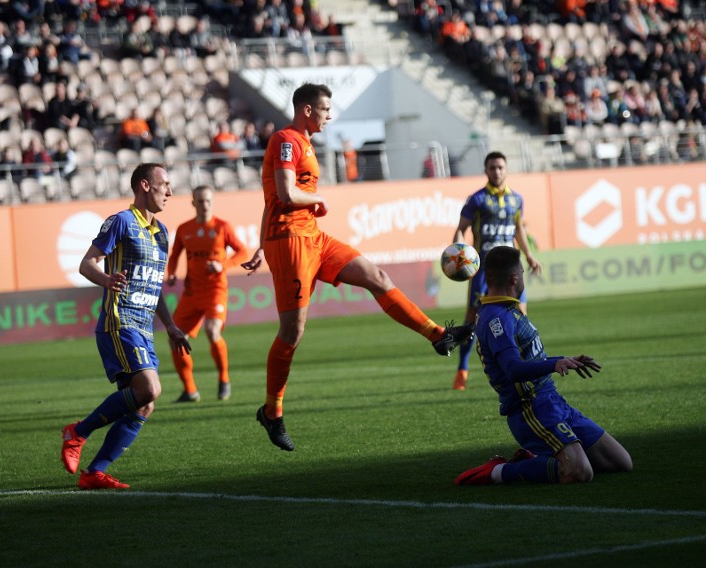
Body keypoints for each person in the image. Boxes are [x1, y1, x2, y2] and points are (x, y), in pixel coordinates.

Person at [241, 83, 474, 451]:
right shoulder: (286, 140)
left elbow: (272, 199)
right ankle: (272, 412)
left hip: (313, 236)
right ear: (306, 110)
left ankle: (437, 335)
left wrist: (259, 242)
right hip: (290, 244)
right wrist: (315, 199)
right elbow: (285, 195)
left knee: (376, 276)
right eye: (325, 109)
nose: (329, 116)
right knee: (292, 333)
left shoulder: (304, 142)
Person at [454, 246, 633, 486]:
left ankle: (540, 457)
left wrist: (565, 360)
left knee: (620, 462)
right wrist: (553, 365)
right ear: (514, 277)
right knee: (579, 472)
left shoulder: (508, 309)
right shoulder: (497, 318)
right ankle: (498, 471)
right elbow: (514, 370)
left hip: (552, 401)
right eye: (522, 271)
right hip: (530, 409)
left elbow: (530, 359)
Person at [61, 163, 191, 490]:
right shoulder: (121, 222)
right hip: (120, 321)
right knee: (150, 389)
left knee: (145, 402)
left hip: (145, 328)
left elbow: (154, 286)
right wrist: (106, 279)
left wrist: (171, 326)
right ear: (145, 186)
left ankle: (93, 474)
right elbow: (86, 263)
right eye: (164, 185)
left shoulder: (161, 233)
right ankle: (78, 432)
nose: (170, 192)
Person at [450, 151, 542, 391]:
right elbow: (461, 228)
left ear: (506, 169)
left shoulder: (516, 200)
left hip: (511, 267)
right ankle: (462, 369)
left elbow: (518, 229)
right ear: (486, 171)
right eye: (492, 168)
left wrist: (529, 255)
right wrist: (458, 251)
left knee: (520, 315)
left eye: (500, 167)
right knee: (472, 318)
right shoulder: (477, 200)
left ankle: (526, 367)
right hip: (484, 269)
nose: (497, 171)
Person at [166, 185, 248, 403]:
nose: (205, 205)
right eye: (200, 201)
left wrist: (223, 265)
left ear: (213, 202)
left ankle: (224, 379)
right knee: (175, 338)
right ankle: (190, 390)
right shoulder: (185, 229)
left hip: (215, 290)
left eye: (208, 201)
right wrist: (171, 273)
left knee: (212, 331)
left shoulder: (222, 227)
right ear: (193, 203)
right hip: (191, 293)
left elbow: (242, 252)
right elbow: (174, 256)